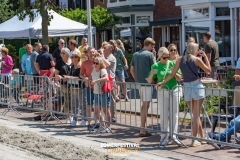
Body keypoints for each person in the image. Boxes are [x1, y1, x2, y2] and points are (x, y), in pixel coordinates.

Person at [157, 43, 211, 147]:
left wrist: (163, 82)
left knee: (195, 115)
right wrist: (205, 57)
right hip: (196, 86)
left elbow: (172, 74)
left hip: (187, 87)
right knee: (196, 116)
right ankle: (194, 140)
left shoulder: (180, 60)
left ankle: (201, 137)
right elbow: (208, 70)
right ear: (194, 50)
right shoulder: (197, 60)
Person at [147, 47, 182, 145]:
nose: (166, 59)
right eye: (164, 57)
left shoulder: (172, 63)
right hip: (163, 92)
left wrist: (174, 73)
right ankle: (164, 137)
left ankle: (174, 136)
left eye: (167, 57)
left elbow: (179, 79)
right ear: (160, 56)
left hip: (174, 90)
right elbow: (149, 80)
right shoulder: (155, 66)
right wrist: (152, 75)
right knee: (163, 115)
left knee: (174, 114)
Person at [130, 38, 156, 136]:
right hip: (148, 83)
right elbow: (154, 69)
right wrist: (154, 56)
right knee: (146, 104)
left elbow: (131, 69)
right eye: (152, 46)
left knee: (144, 104)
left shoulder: (135, 54)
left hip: (139, 83)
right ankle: (142, 128)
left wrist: (136, 79)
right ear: (149, 45)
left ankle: (142, 127)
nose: (152, 48)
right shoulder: (149, 55)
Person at [63, 52, 86, 126]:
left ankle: (84, 119)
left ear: (77, 58)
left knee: (82, 104)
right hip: (73, 87)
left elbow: (80, 77)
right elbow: (70, 75)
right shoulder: (73, 66)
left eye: (73, 57)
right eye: (72, 57)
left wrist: (69, 77)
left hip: (81, 87)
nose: (71, 59)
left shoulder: (80, 66)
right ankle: (75, 119)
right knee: (74, 104)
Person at [90, 56, 111, 133]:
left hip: (103, 92)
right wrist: (86, 78)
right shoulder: (94, 70)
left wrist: (97, 80)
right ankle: (103, 125)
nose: (95, 64)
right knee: (96, 111)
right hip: (96, 92)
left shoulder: (103, 70)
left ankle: (108, 126)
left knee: (106, 110)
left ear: (100, 63)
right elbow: (91, 77)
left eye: (97, 63)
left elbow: (106, 78)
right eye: (94, 62)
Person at [98, 44, 117, 122]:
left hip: (110, 81)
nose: (103, 49)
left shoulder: (112, 57)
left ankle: (113, 117)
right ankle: (106, 116)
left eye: (105, 48)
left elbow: (107, 64)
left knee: (111, 99)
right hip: (103, 81)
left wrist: (101, 54)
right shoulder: (104, 57)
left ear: (110, 49)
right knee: (103, 99)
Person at [55, 47, 72, 123]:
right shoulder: (59, 62)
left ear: (67, 54)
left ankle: (73, 116)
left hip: (73, 84)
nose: (61, 54)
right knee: (67, 100)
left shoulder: (72, 61)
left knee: (73, 100)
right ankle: (68, 116)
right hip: (64, 84)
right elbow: (56, 74)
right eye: (61, 53)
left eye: (63, 53)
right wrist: (57, 80)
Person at [80, 47, 96, 131]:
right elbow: (81, 74)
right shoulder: (85, 63)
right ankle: (89, 123)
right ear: (87, 54)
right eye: (90, 52)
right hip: (89, 86)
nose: (92, 54)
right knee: (89, 105)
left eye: (93, 52)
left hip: (98, 87)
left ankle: (97, 123)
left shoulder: (98, 61)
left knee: (98, 106)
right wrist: (85, 78)